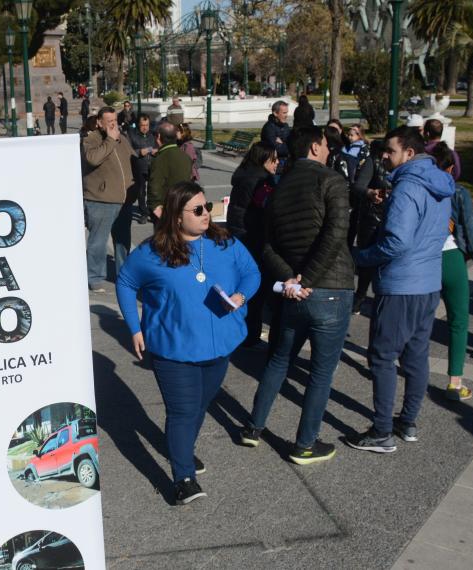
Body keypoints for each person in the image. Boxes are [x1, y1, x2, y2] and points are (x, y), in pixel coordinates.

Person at [116, 181, 260, 504]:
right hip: (173, 349)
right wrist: (134, 327)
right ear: (177, 217)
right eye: (197, 210)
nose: (206, 214)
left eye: (207, 206)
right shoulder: (152, 252)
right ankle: (183, 478)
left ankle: (181, 450)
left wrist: (241, 294)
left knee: (198, 406)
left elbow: (252, 272)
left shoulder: (225, 242)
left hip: (219, 346)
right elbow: (125, 281)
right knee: (182, 411)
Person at [240, 127, 354, 464]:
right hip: (329, 288)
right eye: (326, 145)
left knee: (278, 359)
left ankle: (253, 427)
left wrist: (292, 279)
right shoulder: (331, 180)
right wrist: (309, 279)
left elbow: (267, 246)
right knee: (320, 372)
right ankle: (305, 443)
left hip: (293, 291)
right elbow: (335, 235)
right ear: (316, 146)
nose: (329, 150)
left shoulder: (278, 187)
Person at [348, 126, 454, 453]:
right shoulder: (438, 182)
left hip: (401, 284)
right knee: (417, 356)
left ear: (409, 153)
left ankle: (382, 432)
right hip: (427, 283)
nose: (383, 156)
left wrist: (360, 257)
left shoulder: (408, 186)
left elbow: (397, 241)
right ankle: (407, 421)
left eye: (390, 151)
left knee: (382, 358)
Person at [431, 142, 473, 400]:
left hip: (424, 260)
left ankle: (407, 366)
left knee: (419, 317)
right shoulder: (458, 192)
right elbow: (469, 229)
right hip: (452, 258)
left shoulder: (416, 188)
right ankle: (455, 381)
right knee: (458, 321)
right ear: (451, 168)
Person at [227, 142, 279, 347]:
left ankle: (243, 330)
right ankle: (250, 335)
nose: (277, 164)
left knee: (241, 282)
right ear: (263, 159)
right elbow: (265, 209)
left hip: (239, 234)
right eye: (273, 159)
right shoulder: (261, 181)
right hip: (253, 236)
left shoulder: (243, 174)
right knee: (255, 286)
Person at [82, 106, 135, 292]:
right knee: (98, 242)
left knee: (122, 241)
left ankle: (124, 274)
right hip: (100, 199)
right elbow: (93, 159)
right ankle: (95, 277)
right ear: (99, 122)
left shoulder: (122, 139)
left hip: (123, 199)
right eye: (109, 121)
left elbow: (131, 158)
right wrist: (110, 140)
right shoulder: (91, 139)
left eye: (115, 120)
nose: (113, 124)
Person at [351, 139, 391, 314]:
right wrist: (370, 192)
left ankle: (383, 300)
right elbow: (358, 186)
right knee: (367, 260)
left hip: (392, 216)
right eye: (384, 151)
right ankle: (359, 297)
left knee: (388, 260)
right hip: (372, 217)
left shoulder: (403, 166)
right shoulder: (373, 161)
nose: (386, 155)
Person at [147, 122, 193, 220]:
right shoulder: (185, 156)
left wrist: (154, 207)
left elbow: (154, 186)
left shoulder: (160, 158)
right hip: (182, 205)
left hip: (166, 208)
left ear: (158, 137)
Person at [128, 114, 157, 223]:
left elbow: (159, 146)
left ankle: (152, 211)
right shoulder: (132, 134)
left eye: (147, 125)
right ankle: (143, 212)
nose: (145, 127)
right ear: (138, 125)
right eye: (142, 125)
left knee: (153, 190)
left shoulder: (153, 134)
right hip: (139, 166)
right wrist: (139, 152)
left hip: (153, 166)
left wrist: (157, 151)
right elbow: (128, 151)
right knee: (141, 191)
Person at [261, 101, 290, 168]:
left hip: (286, 164)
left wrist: (283, 143)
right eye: (284, 113)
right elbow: (277, 150)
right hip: (273, 166)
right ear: (275, 113)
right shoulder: (269, 128)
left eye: (287, 112)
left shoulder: (285, 125)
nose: (286, 115)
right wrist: (289, 145)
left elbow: (292, 142)